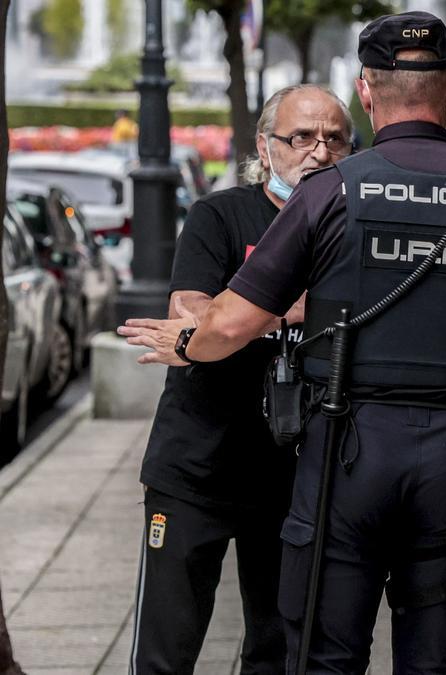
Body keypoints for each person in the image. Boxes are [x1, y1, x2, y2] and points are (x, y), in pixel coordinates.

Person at [118, 11, 446, 673]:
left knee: (326, 655)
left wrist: (188, 342)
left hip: (348, 454)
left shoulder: (330, 191)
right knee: (436, 655)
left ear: (366, 91)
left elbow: (229, 324)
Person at [127, 83, 350, 673]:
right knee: (164, 653)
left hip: (294, 476)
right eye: (301, 137)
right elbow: (190, 315)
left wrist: (238, 319)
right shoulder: (221, 214)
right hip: (197, 466)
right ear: (265, 145)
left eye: (335, 139)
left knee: (277, 652)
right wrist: (289, 310)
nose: (318, 152)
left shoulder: (352, 231)